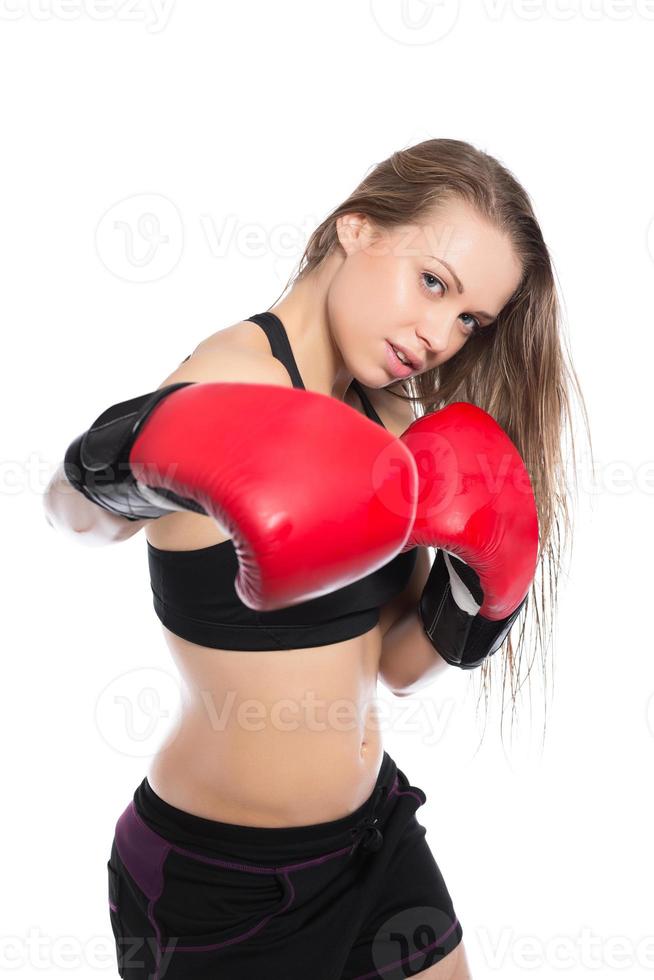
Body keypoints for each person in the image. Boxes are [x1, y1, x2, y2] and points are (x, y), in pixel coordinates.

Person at [44, 138, 588, 979]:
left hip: (373, 841)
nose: (441, 335)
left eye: (470, 319)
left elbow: (396, 667)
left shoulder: (394, 424)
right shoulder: (229, 379)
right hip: (217, 883)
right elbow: (73, 516)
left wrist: (483, 603)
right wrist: (144, 450)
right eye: (433, 283)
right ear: (357, 229)